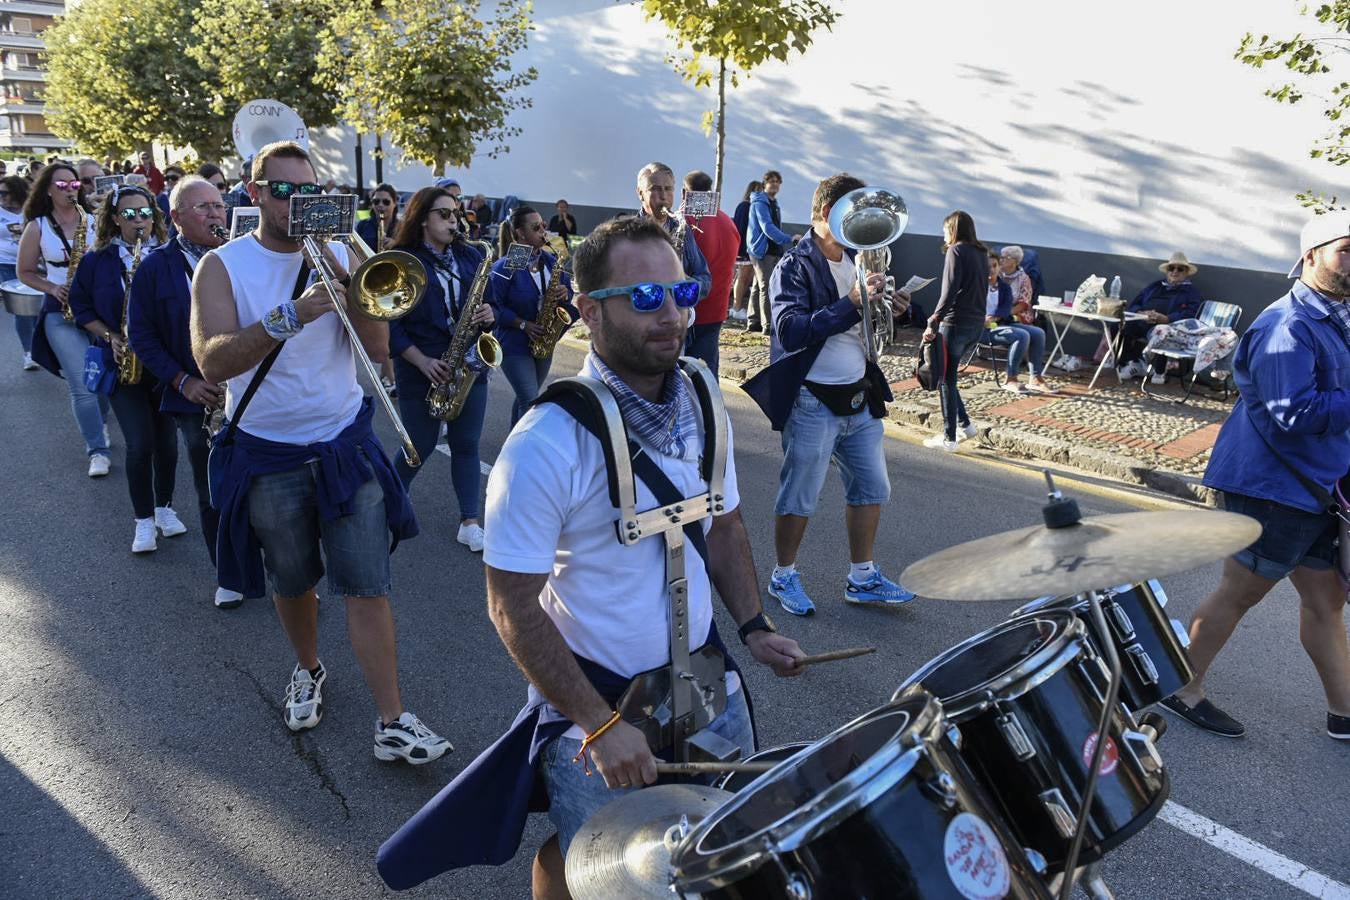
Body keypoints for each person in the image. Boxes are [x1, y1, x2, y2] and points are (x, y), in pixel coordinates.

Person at [378, 214, 805, 896]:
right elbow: (509, 604)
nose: (670, 314)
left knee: (717, 859)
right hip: (598, 702)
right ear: (588, 311)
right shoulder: (543, 442)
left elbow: (723, 525)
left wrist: (754, 626)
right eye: (643, 299)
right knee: (614, 873)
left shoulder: (701, 396)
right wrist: (599, 724)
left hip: (701, 683)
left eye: (682, 292)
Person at [191, 140, 450, 763]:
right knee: (294, 578)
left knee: (367, 584)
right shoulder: (223, 267)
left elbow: (381, 349)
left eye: (307, 191)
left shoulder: (342, 254)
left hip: (343, 442)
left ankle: (392, 718)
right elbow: (212, 358)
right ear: (254, 195)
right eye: (282, 190)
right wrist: (293, 313)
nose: (296, 203)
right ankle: (308, 667)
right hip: (267, 451)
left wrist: (346, 278)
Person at [1167, 210, 1350, 741]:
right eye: (1347, 250)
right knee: (1238, 594)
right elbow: (1293, 413)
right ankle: (1181, 686)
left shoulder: (1336, 314)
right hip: (1273, 487)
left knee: (1325, 602)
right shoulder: (1286, 324)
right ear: (1310, 255)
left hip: (1320, 488)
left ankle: (1344, 712)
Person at [742, 173, 916, 617]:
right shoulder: (794, 266)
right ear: (825, 214)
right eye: (850, 217)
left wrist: (893, 307)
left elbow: (871, 327)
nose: (859, 229)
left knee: (872, 488)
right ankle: (783, 575)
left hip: (859, 396)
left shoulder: (861, 261)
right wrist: (853, 303)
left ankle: (862, 577)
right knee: (800, 494)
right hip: (812, 399)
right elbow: (790, 329)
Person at [126, 175, 243, 609]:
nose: (216, 214)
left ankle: (282, 571)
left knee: (265, 482)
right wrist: (183, 381)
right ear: (175, 218)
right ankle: (227, 572)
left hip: (252, 390)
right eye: (203, 208)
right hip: (197, 396)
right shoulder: (156, 267)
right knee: (211, 484)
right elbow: (142, 334)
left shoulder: (241, 255)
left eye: (219, 205)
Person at [68, 185, 182, 554]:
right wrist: (110, 336)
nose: (139, 221)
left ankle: (165, 508)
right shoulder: (96, 260)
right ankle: (143, 521)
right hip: (123, 363)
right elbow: (80, 306)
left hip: (165, 362)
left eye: (145, 213)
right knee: (139, 444)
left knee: (166, 443)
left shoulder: (170, 256)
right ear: (115, 219)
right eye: (130, 214)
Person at [386, 185, 494, 552]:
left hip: (467, 362)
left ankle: (470, 521)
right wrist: (420, 360)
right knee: (420, 445)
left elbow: (488, 300)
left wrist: (488, 314)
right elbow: (391, 324)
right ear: (421, 220)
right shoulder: (402, 260)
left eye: (456, 213)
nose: (454, 221)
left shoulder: (469, 256)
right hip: (422, 365)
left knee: (466, 444)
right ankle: (388, 499)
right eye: (444, 214)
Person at [19, 162, 109, 476]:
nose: (70, 189)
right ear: (47, 189)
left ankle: (99, 425)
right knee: (82, 385)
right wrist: (53, 286)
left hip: (99, 311)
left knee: (103, 378)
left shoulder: (95, 221)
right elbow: (25, 272)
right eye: (61, 185)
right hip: (61, 313)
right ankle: (97, 449)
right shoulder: (38, 226)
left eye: (74, 184)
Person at [488, 205, 577, 426]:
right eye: (536, 227)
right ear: (520, 233)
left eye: (543, 226)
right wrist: (522, 325)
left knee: (525, 396)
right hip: (514, 342)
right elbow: (493, 306)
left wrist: (566, 292)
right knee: (531, 400)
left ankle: (511, 444)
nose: (543, 232)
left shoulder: (549, 261)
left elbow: (568, 290)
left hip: (543, 341)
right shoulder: (508, 265)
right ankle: (523, 453)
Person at [923, 211, 989, 452]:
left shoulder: (956, 251)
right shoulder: (982, 253)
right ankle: (966, 426)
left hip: (955, 322)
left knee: (944, 379)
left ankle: (949, 438)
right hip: (975, 324)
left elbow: (949, 290)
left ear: (953, 229)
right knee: (949, 376)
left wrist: (934, 317)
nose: (943, 235)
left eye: (944, 230)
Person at [681, 170, 738, 376]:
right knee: (707, 376)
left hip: (690, 308)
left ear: (684, 193)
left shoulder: (682, 221)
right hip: (717, 307)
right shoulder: (727, 220)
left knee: (681, 377)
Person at [1117, 252, 1206, 380]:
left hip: (1168, 326)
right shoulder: (1155, 286)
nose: (1174, 272)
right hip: (1143, 321)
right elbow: (1136, 302)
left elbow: (1193, 312)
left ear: (1186, 272)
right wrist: (1140, 313)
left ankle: (1159, 369)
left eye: (1180, 269)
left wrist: (1168, 318)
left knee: (1161, 331)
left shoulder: (1191, 292)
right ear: (1167, 271)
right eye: (1171, 268)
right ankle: (1133, 362)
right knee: (1118, 326)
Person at [634, 162, 711, 303]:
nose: (663, 196)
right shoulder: (628, 233)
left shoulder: (682, 228)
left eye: (668, 189)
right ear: (640, 193)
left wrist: (688, 285)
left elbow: (705, 278)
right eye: (655, 189)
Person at [984, 249, 1053, 393]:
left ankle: (1035, 378)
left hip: (1001, 321)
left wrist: (996, 317)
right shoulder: (977, 285)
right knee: (1022, 335)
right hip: (982, 327)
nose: (992, 269)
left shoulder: (1003, 286)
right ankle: (1011, 379)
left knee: (1038, 333)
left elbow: (1006, 307)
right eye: (988, 266)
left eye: (995, 265)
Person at [358, 182, 403, 394]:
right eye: (376, 202)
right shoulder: (364, 226)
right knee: (383, 330)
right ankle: (389, 374)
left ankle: (388, 374)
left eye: (386, 202)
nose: (381, 206)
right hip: (371, 283)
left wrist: (395, 243)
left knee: (392, 329)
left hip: (395, 282)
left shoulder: (403, 227)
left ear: (395, 204)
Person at [745, 170, 795, 334]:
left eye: (777, 181)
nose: (774, 184)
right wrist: (789, 238)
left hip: (771, 250)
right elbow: (767, 227)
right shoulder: (760, 202)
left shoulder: (773, 202)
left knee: (758, 286)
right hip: (761, 250)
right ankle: (767, 326)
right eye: (771, 181)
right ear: (764, 183)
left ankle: (753, 321)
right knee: (766, 287)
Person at [0, 174, 35, 369]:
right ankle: (28, 352)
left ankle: (43, 348)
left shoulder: (30, 210)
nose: (1, 196)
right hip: (6, 265)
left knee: (39, 309)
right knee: (22, 311)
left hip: (34, 264)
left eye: (4, 193)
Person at [729, 180, 761, 325]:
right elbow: (741, 228)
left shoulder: (751, 206)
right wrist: (743, 248)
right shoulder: (745, 206)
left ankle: (737, 307)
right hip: (745, 248)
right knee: (743, 278)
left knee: (744, 277)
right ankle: (736, 307)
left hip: (748, 247)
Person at [997, 245, 1036, 324]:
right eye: (1001, 257)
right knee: (1024, 335)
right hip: (994, 314)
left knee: (1039, 333)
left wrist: (1004, 314)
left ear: (1015, 261)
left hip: (1014, 316)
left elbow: (1023, 304)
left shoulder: (1024, 278)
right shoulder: (996, 274)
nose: (1001, 260)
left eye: (1006, 258)